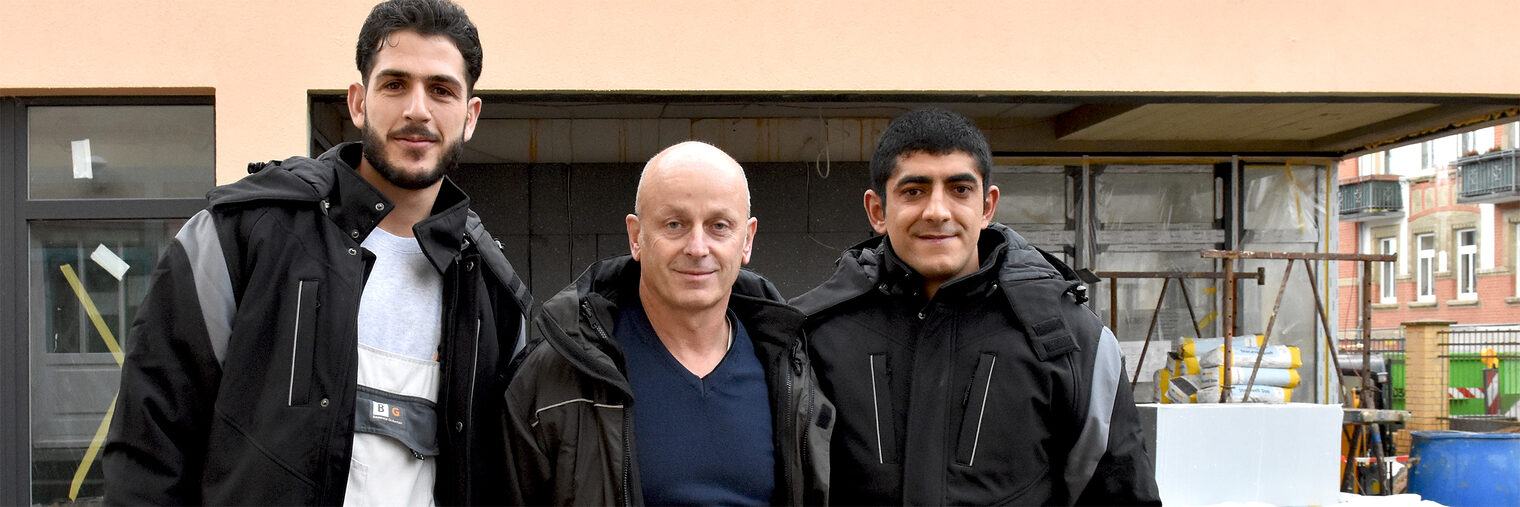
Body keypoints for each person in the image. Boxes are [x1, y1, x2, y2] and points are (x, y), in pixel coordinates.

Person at [102, 1, 532, 504]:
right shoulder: (239, 238)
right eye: (394, 85)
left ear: (470, 115)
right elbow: (148, 450)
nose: (418, 109)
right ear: (357, 102)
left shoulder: (492, 292)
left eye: (441, 90)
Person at [791, 108, 1160, 505]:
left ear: (987, 206)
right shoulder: (811, 336)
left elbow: (1121, 493)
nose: (937, 211)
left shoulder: (1071, 342)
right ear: (878, 211)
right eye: (914, 190)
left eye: (959, 189)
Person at [503, 141, 832, 505]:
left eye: (719, 226)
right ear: (636, 237)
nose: (697, 247)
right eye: (674, 224)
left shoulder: (792, 371)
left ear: (747, 240)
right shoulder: (557, 374)